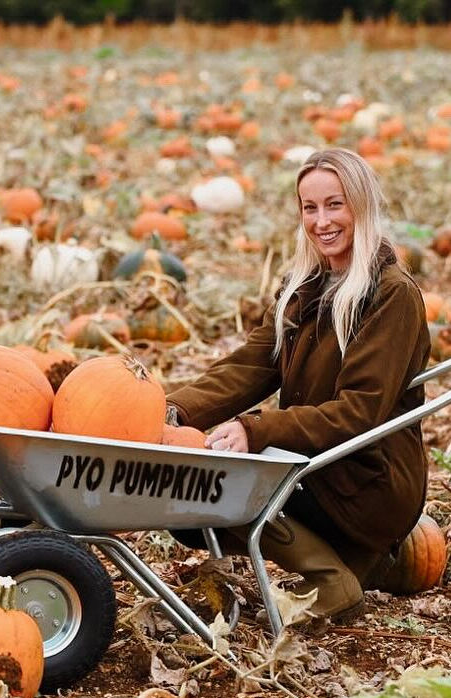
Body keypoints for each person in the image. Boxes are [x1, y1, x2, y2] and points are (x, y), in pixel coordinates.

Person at [166, 148, 430, 624]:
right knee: (185, 495)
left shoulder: (392, 295)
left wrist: (258, 431)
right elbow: (249, 366)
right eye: (310, 208)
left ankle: (333, 582)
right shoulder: (304, 285)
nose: (321, 220)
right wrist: (172, 411)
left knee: (215, 485)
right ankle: (360, 563)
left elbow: (359, 411)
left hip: (366, 478)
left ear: (362, 207)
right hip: (316, 462)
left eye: (336, 204)